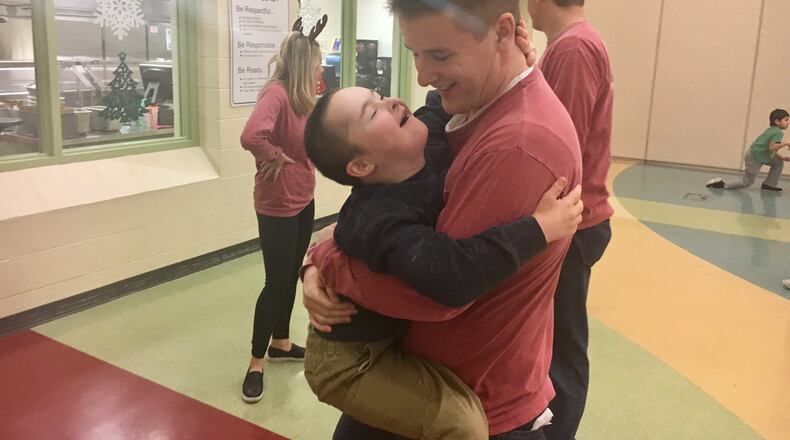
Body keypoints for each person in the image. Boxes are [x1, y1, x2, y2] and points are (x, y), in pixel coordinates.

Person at [302, 1, 583, 438]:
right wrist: (320, 259)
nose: (419, 78)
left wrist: (329, 263)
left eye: (440, 55)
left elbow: (438, 290)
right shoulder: (465, 110)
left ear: (505, 32)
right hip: (387, 364)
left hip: (474, 393)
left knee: (462, 426)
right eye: (416, 53)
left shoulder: (515, 145)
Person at [524, 1, 615, 438]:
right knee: (556, 339)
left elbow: (561, 145)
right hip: (574, 218)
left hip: (574, 223)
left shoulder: (574, 49)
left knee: (562, 345)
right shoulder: (569, 44)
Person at [238, 16, 327, 404]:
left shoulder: (304, 98)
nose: (322, 68)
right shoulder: (276, 93)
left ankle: (282, 342)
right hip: (277, 205)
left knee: (290, 275)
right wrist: (274, 155)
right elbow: (249, 134)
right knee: (275, 282)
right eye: (319, 62)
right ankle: (256, 362)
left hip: (303, 199)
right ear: (305, 63)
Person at [707, 109, 790, 192]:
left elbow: (767, 148)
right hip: (755, 158)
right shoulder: (778, 133)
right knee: (747, 182)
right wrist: (786, 143)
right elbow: (772, 147)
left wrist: (781, 157)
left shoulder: (772, 130)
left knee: (778, 163)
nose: (788, 122)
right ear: (777, 121)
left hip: (760, 155)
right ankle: (722, 184)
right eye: (786, 120)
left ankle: (769, 184)